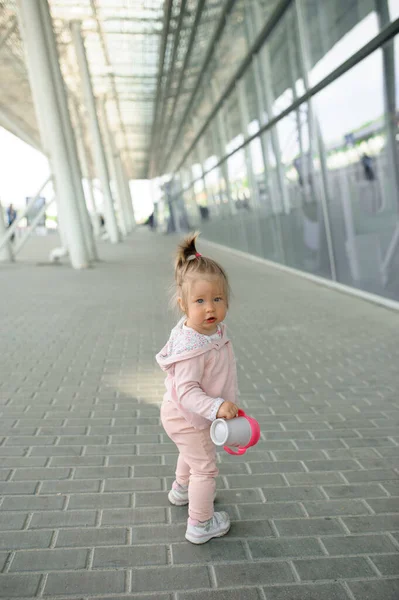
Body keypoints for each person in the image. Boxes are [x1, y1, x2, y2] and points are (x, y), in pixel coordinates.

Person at [155, 232, 240, 544]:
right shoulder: (193, 345)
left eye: (217, 299)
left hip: (182, 415)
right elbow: (188, 391)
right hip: (186, 412)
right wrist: (217, 406)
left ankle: (180, 490)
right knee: (206, 468)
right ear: (183, 304)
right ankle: (201, 524)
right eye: (200, 301)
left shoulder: (210, 331)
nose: (210, 309)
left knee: (190, 452)